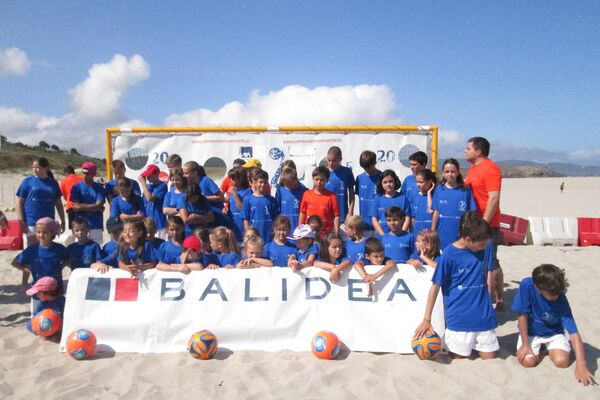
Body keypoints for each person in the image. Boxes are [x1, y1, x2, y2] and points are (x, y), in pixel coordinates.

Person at [414, 212, 498, 360]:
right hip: (459, 318)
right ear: (467, 239)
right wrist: (426, 319)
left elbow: (489, 275)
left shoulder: (487, 248)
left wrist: (490, 300)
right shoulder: (449, 254)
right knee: (460, 358)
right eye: (481, 244)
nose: (485, 247)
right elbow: (435, 286)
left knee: (489, 357)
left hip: (484, 317)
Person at [512, 264, 594, 386]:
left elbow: (573, 332)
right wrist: (525, 345)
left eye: (558, 293)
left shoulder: (560, 297)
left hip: (553, 332)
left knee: (562, 362)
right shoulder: (527, 285)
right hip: (531, 332)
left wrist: (581, 365)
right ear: (538, 287)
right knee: (528, 362)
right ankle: (539, 349)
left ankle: (545, 348)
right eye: (551, 294)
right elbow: (521, 315)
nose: (555, 297)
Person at [464, 136, 505, 311]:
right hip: (473, 223)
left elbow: (494, 198)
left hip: (488, 225)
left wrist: (484, 224)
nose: (465, 151)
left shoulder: (491, 169)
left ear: (478, 151)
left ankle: (500, 298)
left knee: (492, 261)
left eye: (468, 148)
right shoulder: (473, 169)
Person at [11, 218, 69, 312]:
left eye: (45, 232)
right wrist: (29, 270)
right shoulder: (32, 250)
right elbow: (15, 262)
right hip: (38, 291)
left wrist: (60, 267)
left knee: (57, 316)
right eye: (38, 232)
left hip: (56, 290)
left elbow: (68, 260)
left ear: (52, 232)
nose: (41, 235)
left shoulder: (59, 249)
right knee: (37, 318)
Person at [16, 157, 66, 244]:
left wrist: (63, 221)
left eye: (37, 167)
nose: (34, 169)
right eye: (33, 167)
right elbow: (19, 202)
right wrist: (21, 220)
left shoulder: (53, 183)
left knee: (47, 246)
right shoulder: (27, 181)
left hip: (48, 220)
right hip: (31, 219)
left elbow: (58, 203)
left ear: (46, 168)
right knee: (32, 249)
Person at [431, 158, 477, 249]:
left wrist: (468, 231)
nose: (450, 174)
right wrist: (432, 230)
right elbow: (436, 212)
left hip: (459, 234)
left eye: (453, 171)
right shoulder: (439, 189)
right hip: (442, 233)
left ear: (458, 172)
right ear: (443, 173)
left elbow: (471, 213)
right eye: (447, 171)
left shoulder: (465, 190)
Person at [70, 162, 105, 244]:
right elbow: (76, 206)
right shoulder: (76, 187)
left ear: (93, 174)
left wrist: (81, 207)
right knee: (80, 249)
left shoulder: (99, 187)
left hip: (96, 224)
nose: (85, 175)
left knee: (96, 248)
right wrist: (95, 207)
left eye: (88, 173)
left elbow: (99, 205)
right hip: (80, 225)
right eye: (84, 173)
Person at [299, 166, 340, 236]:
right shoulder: (307, 194)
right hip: (309, 234)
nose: (319, 182)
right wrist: (300, 230)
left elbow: (336, 216)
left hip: (326, 235)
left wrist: (336, 233)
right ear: (313, 179)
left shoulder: (332, 196)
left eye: (322, 180)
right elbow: (302, 213)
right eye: (316, 179)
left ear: (327, 180)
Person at [241, 169, 279, 242]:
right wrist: (248, 234)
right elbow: (246, 219)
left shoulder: (272, 200)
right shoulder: (247, 199)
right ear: (255, 182)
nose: (263, 185)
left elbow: (276, 220)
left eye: (265, 182)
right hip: (254, 237)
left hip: (269, 237)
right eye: (260, 182)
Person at [370, 169, 411, 235]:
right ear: (381, 183)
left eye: (391, 181)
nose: (388, 184)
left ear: (395, 182)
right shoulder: (377, 198)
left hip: (399, 237)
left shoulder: (403, 198)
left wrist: (402, 234)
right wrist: (383, 236)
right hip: (382, 237)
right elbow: (374, 219)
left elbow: (407, 218)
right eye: (385, 182)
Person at [325, 146, 355, 223]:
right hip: (327, 217)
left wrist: (350, 212)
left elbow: (351, 194)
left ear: (340, 159)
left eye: (334, 161)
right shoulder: (323, 172)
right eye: (329, 160)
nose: (331, 163)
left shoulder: (347, 172)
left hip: (343, 216)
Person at [138, 164, 168, 239]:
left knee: (159, 242)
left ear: (156, 174)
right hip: (147, 222)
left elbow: (150, 198)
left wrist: (143, 183)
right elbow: (144, 202)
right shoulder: (148, 186)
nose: (148, 177)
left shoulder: (162, 185)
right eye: (147, 175)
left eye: (150, 175)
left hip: (158, 222)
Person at [355, 150, 382, 232]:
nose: (367, 169)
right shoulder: (359, 178)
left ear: (375, 163)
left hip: (379, 223)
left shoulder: (382, 177)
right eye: (364, 167)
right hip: (364, 223)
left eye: (369, 167)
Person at [275, 167, 307, 233]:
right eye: (285, 184)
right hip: (284, 228)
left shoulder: (303, 190)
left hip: (298, 227)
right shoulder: (280, 190)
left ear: (296, 180)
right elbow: (277, 209)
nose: (288, 186)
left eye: (290, 183)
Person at [225, 167, 252, 242]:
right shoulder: (234, 190)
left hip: (241, 228)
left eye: (233, 178)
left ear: (241, 178)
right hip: (232, 227)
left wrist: (234, 194)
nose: (231, 180)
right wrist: (225, 208)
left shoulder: (247, 191)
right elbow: (229, 201)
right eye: (230, 178)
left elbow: (242, 209)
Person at [411, 169, 436, 235]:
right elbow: (413, 218)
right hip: (417, 234)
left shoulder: (436, 196)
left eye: (421, 182)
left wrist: (428, 193)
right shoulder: (415, 196)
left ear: (430, 182)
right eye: (417, 182)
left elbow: (431, 210)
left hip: (430, 234)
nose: (418, 185)